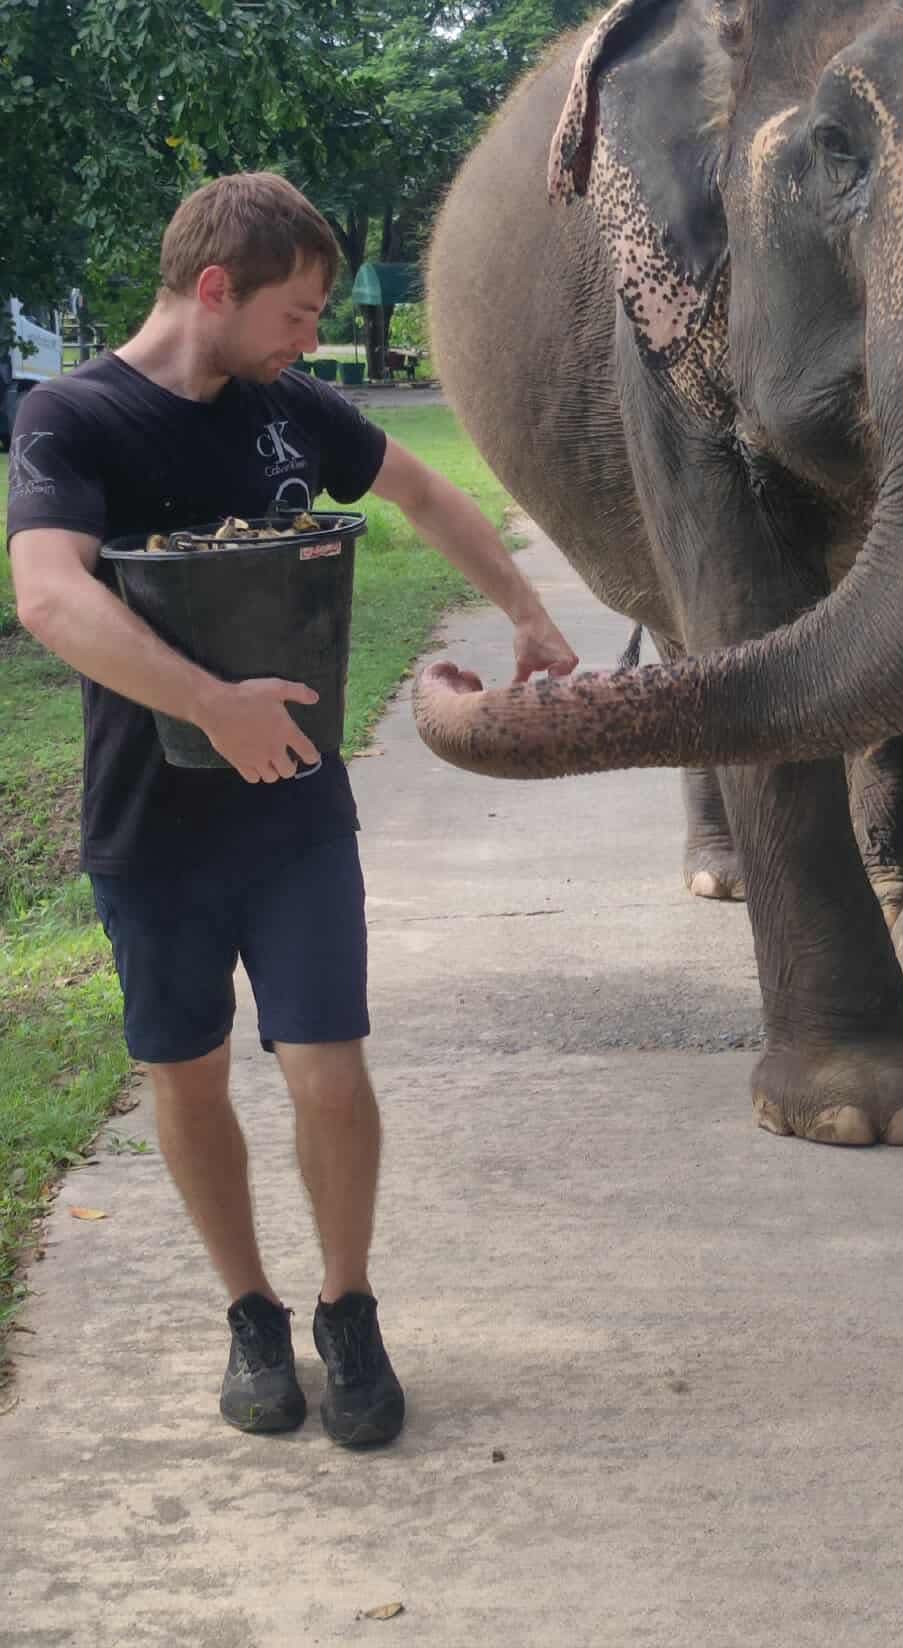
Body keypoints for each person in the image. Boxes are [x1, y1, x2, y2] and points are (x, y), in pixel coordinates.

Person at [7, 172, 578, 1448]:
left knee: (327, 1064)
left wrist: (533, 619)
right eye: (297, 309)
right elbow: (48, 595)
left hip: (297, 820)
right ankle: (251, 1311)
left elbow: (427, 497)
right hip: (152, 826)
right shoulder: (73, 416)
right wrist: (211, 701)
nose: (307, 338)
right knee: (188, 1071)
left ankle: (347, 1303)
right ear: (218, 287)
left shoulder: (285, 409)